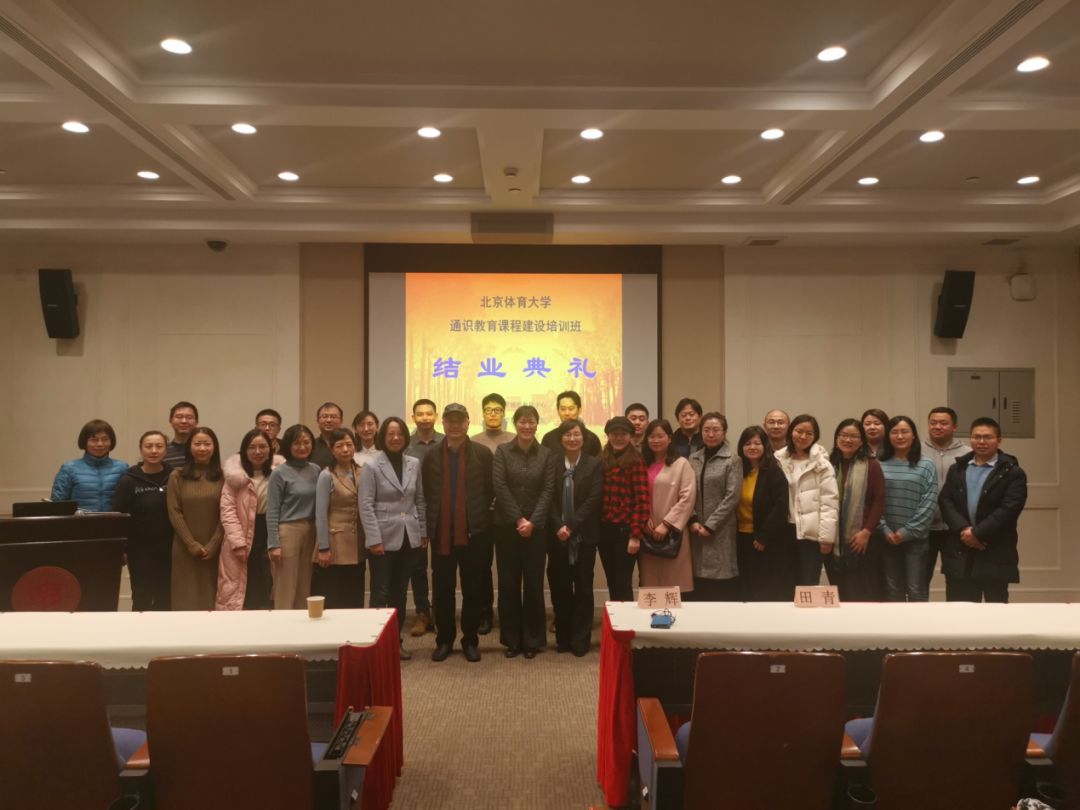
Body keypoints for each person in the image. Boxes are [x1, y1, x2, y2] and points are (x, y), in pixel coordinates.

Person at [421, 403, 494, 663]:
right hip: (442, 534)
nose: (454, 425)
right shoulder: (431, 456)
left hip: (474, 533)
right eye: (450, 421)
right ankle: (444, 640)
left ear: (467, 423)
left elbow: (489, 491)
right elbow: (427, 492)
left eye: (459, 421)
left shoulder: (482, 454)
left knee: (473, 590)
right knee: (442, 590)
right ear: (443, 423)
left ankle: (470, 640)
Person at [360, 417, 428, 658]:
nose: (396, 438)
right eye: (390, 434)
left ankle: (395, 643)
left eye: (399, 433)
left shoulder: (413, 463)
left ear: (406, 437)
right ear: (383, 437)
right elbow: (366, 505)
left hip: (409, 537)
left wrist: (422, 532)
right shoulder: (371, 466)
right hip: (382, 539)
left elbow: (419, 500)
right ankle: (376, 646)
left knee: (400, 593)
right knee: (380, 593)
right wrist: (374, 539)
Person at [939, 418, 1028, 603]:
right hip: (961, 549)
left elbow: (1009, 509)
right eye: (976, 437)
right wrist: (964, 530)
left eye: (987, 437)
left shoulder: (1013, 473)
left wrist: (977, 534)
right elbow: (945, 501)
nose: (981, 441)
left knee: (995, 611)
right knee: (960, 610)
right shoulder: (957, 468)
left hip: (994, 549)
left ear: (999, 440)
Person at [492, 405, 555, 658]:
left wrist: (533, 522)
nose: (527, 426)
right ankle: (512, 640)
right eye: (522, 422)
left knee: (533, 584)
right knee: (508, 584)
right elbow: (499, 485)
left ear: (537, 425)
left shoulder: (547, 454)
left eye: (531, 422)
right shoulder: (502, 451)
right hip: (506, 527)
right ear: (515, 424)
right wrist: (519, 519)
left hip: (537, 530)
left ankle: (532, 640)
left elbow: (548, 490)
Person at [547, 419, 604, 656]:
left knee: (583, 588)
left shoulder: (594, 464)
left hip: (584, 536)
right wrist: (558, 526)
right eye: (567, 435)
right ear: (561, 439)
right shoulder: (552, 462)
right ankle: (563, 637)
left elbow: (594, 499)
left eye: (576, 434)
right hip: (556, 536)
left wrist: (570, 526)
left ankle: (580, 639)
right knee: (559, 587)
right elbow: (548, 496)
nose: (572, 439)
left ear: (584, 437)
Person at [217, 429, 282, 610]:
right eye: (252, 447)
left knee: (269, 583)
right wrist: (238, 543)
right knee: (243, 586)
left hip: (271, 531)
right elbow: (227, 510)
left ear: (270, 449)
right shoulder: (235, 477)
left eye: (262, 447)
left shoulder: (278, 473)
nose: (258, 452)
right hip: (242, 534)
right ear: (244, 450)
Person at [774, 415, 840, 588]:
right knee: (784, 582)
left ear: (815, 437)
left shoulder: (822, 465)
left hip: (811, 533)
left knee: (808, 583)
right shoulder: (778, 460)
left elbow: (830, 503)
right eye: (799, 431)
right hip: (783, 530)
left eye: (809, 433)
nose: (803, 437)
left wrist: (826, 538)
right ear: (791, 431)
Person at [878, 415, 938, 602]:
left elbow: (929, 503)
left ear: (913, 436)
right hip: (887, 537)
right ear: (888, 436)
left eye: (904, 432)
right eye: (894, 432)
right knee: (892, 589)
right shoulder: (879, 463)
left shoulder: (926, 465)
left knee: (916, 589)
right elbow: (873, 501)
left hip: (916, 539)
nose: (899, 436)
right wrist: (885, 530)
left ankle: (918, 622)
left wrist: (906, 532)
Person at [111, 430, 173, 610]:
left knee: (166, 595)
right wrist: (122, 548)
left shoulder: (174, 477)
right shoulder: (128, 480)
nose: (154, 451)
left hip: (169, 547)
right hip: (139, 549)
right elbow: (119, 516)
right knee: (142, 595)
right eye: (148, 446)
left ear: (166, 450)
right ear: (141, 449)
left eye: (159, 446)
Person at [469, 393, 514, 634]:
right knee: (481, 567)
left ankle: (510, 614)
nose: (493, 414)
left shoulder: (515, 439)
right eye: (488, 410)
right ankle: (484, 612)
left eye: (497, 410)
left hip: (510, 515)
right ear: (483, 413)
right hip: (483, 514)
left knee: (508, 568)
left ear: (504, 413)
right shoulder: (473, 442)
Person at [166, 427, 224, 610]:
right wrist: (191, 544)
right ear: (189, 447)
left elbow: (227, 513)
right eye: (197, 444)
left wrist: (213, 544)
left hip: (215, 549)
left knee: (211, 600)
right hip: (184, 548)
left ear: (214, 447)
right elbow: (174, 512)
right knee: (185, 600)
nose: (202, 448)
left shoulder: (223, 477)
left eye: (207, 444)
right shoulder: (177, 476)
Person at [686, 413, 742, 600]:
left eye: (716, 430)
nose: (711, 434)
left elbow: (732, 496)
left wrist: (710, 525)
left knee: (719, 582)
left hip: (721, 530)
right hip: (695, 529)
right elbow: (686, 492)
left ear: (724, 432)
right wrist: (693, 519)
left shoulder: (732, 460)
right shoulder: (693, 458)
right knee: (697, 581)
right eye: (706, 430)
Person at [638, 419, 697, 595]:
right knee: (651, 585)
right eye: (652, 436)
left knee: (673, 584)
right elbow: (636, 494)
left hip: (672, 531)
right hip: (647, 530)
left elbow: (687, 497)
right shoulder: (642, 463)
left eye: (660, 436)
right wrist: (643, 518)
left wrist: (667, 524)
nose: (656, 440)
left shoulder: (681, 464)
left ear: (670, 438)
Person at [829, 420, 886, 601]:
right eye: (844, 435)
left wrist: (866, 532)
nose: (848, 440)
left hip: (861, 539)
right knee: (839, 591)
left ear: (862, 441)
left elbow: (879, 500)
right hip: (832, 538)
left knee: (862, 591)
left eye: (854, 436)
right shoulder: (828, 464)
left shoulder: (872, 465)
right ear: (836, 438)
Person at [266, 424, 321, 609]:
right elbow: (272, 511)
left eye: (307, 442)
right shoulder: (279, 473)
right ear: (288, 445)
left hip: (310, 530)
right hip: (288, 531)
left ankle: (301, 623)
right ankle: (283, 624)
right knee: (285, 585)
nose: (302, 447)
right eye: (297, 443)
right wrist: (274, 544)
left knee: (304, 584)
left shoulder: (315, 470)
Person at [734, 426, 790, 601]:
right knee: (745, 584)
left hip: (764, 538)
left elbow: (780, 506)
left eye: (757, 443)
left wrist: (764, 536)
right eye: (747, 443)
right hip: (741, 536)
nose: (752, 447)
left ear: (765, 446)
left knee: (764, 585)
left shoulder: (773, 471)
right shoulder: (739, 470)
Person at [598, 416, 649, 602]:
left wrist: (635, 535)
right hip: (604, 529)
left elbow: (642, 501)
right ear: (608, 435)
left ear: (630, 436)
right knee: (611, 580)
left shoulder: (636, 461)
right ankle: (615, 617)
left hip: (625, 530)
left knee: (623, 581)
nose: (618, 438)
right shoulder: (602, 459)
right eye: (614, 434)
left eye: (623, 434)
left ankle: (626, 618)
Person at [314, 428, 364, 609]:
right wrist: (323, 547)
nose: (345, 450)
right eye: (339, 446)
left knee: (355, 593)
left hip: (357, 541)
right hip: (335, 542)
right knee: (335, 594)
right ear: (332, 449)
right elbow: (320, 514)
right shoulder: (326, 475)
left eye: (349, 445)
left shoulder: (361, 471)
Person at [405, 398, 442, 637]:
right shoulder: (406, 445)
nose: (425, 418)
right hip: (414, 512)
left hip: (441, 513)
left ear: (436, 416)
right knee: (417, 567)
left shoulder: (446, 442)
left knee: (440, 566)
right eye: (420, 414)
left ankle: (439, 612)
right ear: (413, 417)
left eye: (429, 414)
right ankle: (422, 612)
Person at [923, 406, 970, 591]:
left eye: (943, 423)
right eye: (933, 423)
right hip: (923, 528)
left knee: (958, 582)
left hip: (956, 528)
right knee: (919, 581)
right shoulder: (916, 451)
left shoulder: (968, 454)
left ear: (954, 426)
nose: (937, 427)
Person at [50, 419, 127, 512]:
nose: (100, 444)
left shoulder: (122, 468)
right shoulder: (69, 468)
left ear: (111, 442)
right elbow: (57, 503)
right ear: (84, 442)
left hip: (114, 520)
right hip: (80, 520)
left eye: (105, 439)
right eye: (94, 440)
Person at [541, 391, 602, 456]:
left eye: (571, 409)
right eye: (563, 409)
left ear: (579, 410)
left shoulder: (592, 439)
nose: (567, 413)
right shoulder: (548, 439)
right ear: (558, 411)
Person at [164, 402, 199, 469]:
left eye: (189, 417)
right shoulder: (163, 451)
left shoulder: (204, 450)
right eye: (179, 417)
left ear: (196, 422)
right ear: (171, 421)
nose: (184, 421)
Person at [309, 402, 344, 469]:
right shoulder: (310, 446)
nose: (328, 420)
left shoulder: (348, 445)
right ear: (317, 421)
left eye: (333, 417)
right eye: (324, 416)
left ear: (341, 421)